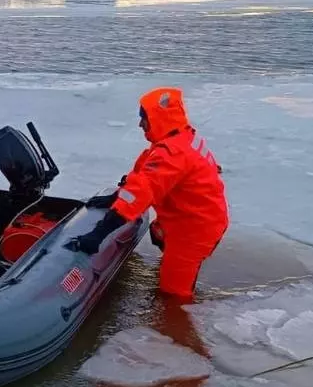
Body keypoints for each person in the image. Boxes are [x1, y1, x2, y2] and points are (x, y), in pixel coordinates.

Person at [64, 87, 229, 300]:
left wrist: (97, 235)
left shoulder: (171, 155)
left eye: (144, 118)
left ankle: (176, 328)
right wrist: (114, 198)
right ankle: (171, 256)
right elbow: (141, 178)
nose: (140, 124)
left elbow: (139, 194)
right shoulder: (180, 137)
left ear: (159, 119)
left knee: (173, 295)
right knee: (158, 233)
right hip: (193, 215)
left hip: (195, 230)